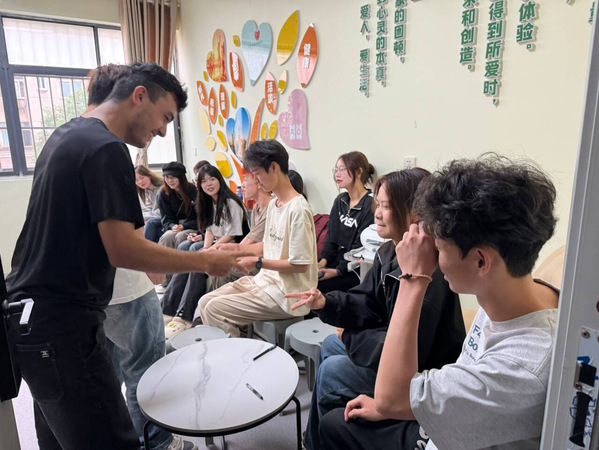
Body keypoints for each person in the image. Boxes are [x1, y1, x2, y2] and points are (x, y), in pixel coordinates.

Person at [6, 61, 247, 450]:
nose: (162, 131)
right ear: (139, 96)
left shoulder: (65, 135)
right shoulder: (106, 148)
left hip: (32, 320)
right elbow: (123, 249)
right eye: (164, 117)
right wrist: (206, 260)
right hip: (62, 325)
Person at [318, 156, 560, 449]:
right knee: (336, 421)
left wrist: (413, 278)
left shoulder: (521, 369)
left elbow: (391, 398)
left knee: (334, 422)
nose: (431, 253)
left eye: (440, 247)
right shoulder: (508, 295)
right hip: (446, 418)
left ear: (481, 261)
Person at [287, 169, 465, 450]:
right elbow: (366, 301)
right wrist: (326, 303)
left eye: (386, 206)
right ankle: (320, 436)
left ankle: (322, 438)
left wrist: (350, 336)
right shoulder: (389, 251)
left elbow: (412, 351)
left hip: (419, 372)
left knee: (332, 370)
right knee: (330, 345)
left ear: (415, 211)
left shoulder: (429, 273)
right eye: (377, 205)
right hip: (393, 348)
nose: (377, 214)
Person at [195, 139, 318, 337]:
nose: (256, 181)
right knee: (204, 302)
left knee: (214, 309)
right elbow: (269, 246)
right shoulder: (274, 205)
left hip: (287, 295)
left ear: (274, 168)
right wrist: (236, 249)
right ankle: (236, 345)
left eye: (257, 174)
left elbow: (300, 265)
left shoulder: (298, 209)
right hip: (266, 282)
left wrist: (257, 262)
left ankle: (238, 354)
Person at [162, 164, 250, 337]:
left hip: (233, 247)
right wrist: (205, 248)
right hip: (220, 244)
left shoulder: (231, 202)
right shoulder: (209, 202)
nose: (208, 184)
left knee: (199, 261)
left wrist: (208, 252)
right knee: (192, 251)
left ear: (220, 180)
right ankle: (169, 307)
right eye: (204, 181)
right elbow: (209, 230)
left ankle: (184, 316)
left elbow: (232, 235)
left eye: (212, 179)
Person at [318, 151, 375, 293]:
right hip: (336, 261)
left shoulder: (371, 204)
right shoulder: (340, 200)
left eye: (342, 169)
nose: (337, 174)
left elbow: (360, 246)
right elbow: (331, 235)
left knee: (319, 287)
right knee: (304, 279)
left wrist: (338, 271)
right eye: (336, 170)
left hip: (356, 268)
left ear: (359, 172)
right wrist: (323, 261)